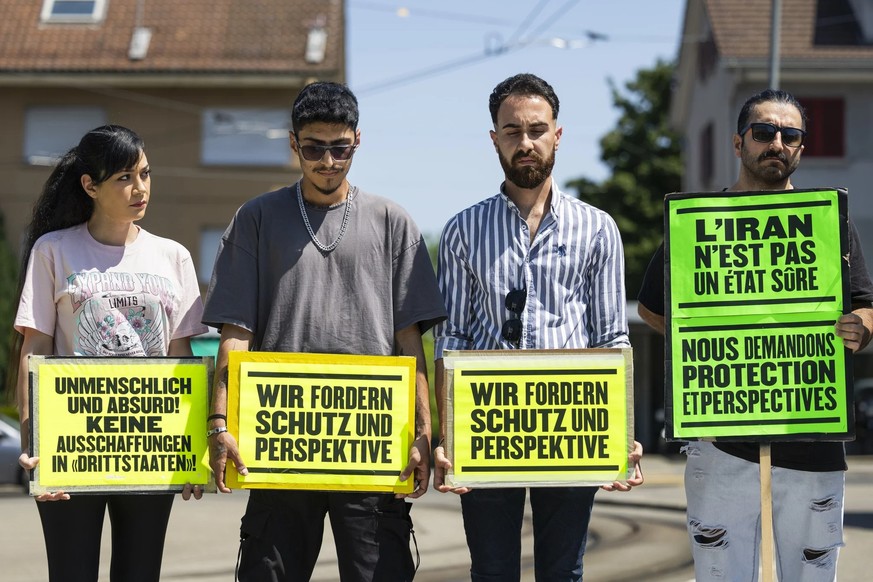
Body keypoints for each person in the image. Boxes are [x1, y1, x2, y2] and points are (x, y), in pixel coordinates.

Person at [202, 81, 446, 582]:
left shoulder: (394, 223)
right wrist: (220, 423)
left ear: (358, 141)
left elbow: (409, 345)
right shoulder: (255, 218)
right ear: (293, 143)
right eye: (314, 147)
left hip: (373, 446)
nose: (328, 161)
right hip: (280, 441)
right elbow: (235, 334)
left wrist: (423, 434)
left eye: (340, 147)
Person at [637, 88, 873, 581]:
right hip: (720, 440)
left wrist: (862, 326)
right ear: (738, 142)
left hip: (813, 435)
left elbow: (864, 305)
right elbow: (651, 308)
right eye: (764, 132)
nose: (777, 144)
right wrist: (701, 338)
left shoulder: (829, 221)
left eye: (791, 135)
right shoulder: (697, 222)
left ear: (801, 148)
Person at [432, 73, 644, 582]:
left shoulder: (598, 228)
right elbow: (452, 337)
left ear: (557, 134)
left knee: (562, 573)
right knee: (492, 571)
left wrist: (623, 435)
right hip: (485, 430)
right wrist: (447, 436)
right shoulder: (463, 230)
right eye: (512, 131)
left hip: (571, 427)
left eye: (536, 129)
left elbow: (612, 337)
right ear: (494, 139)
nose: (525, 143)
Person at [12, 124, 208, 582]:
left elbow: (183, 359)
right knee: (71, 573)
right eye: (123, 178)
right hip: (71, 446)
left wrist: (192, 451)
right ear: (90, 186)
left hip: (150, 449)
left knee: (140, 574)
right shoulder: (53, 250)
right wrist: (32, 445)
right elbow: (35, 348)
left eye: (144, 174)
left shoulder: (173, 256)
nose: (139, 188)